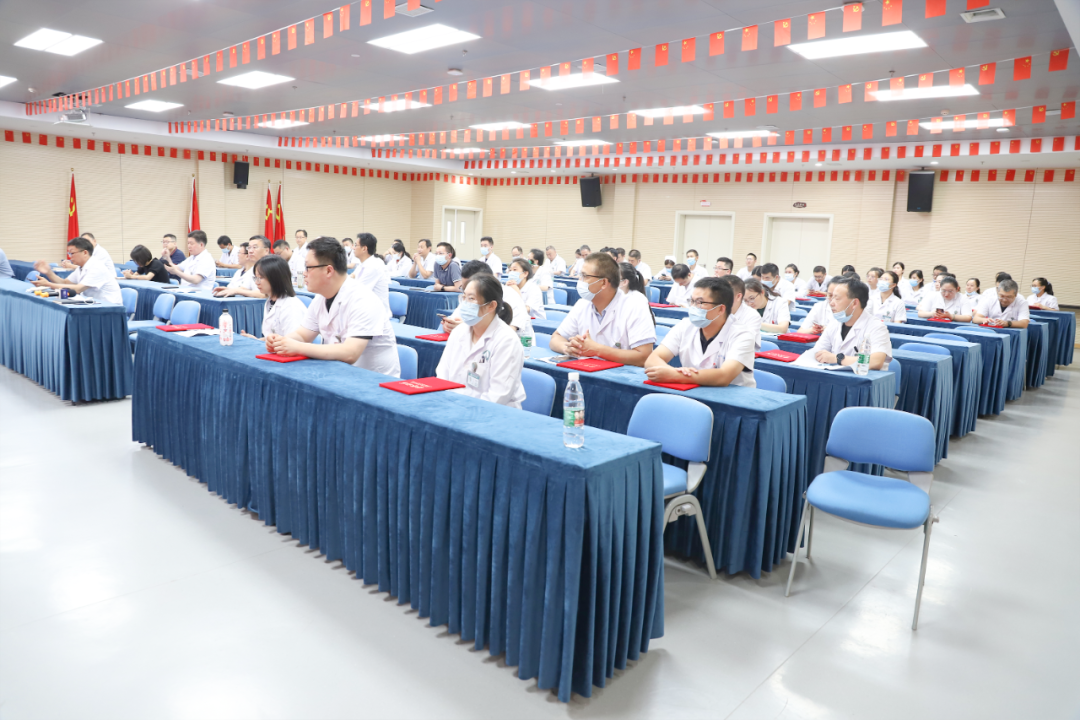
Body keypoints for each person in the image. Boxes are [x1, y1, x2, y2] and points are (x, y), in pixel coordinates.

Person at [267, 237, 400, 376]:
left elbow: (350, 353)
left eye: (308, 268)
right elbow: (302, 335)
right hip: (338, 373)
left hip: (373, 380)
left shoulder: (364, 299)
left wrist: (298, 347)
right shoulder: (320, 297)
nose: (304, 273)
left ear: (328, 271)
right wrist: (281, 342)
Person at [645, 277, 757, 387]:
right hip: (691, 392)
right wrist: (673, 373)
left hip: (732, 397)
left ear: (721, 309)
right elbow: (653, 359)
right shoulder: (685, 325)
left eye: (700, 302)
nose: (693, 307)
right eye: (692, 301)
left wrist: (675, 375)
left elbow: (724, 376)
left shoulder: (743, 335)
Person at [435, 274, 527, 408]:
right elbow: (443, 374)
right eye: (464, 297)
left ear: (491, 306)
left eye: (471, 299)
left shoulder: (507, 341)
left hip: (491, 413)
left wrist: (462, 410)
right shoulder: (458, 332)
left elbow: (498, 396)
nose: (465, 304)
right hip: (453, 406)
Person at [549, 252, 656, 367]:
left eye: (585, 276)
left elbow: (644, 356)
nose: (580, 280)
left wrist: (597, 350)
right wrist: (569, 349)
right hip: (586, 371)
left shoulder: (634, 305)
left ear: (604, 283)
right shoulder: (582, 304)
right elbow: (556, 337)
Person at [812, 275, 893, 370]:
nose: (831, 303)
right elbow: (817, 353)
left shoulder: (877, 327)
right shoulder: (834, 323)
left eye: (837, 299)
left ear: (854, 303)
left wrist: (837, 358)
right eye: (831, 298)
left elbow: (876, 362)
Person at [31, 237, 123, 304]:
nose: (70, 257)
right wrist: (48, 272)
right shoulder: (81, 267)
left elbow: (78, 289)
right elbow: (65, 283)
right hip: (94, 305)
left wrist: (48, 284)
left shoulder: (97, 267)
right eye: (69, 253)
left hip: (110, 309)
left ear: (85, 252)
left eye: (72, 253)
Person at [239, 255, 306, 340]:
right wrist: (256, 341)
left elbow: (291, 342)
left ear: (275, 278)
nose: (256, 282)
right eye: (256, 278)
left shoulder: (291, 307)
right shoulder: (270, 302)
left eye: (260, 278)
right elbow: (272, 337)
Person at [440, 261, 497, 334]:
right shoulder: (466, 297)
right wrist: (449, 324)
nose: (466, 291)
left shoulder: (507, 296)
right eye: (463, 288)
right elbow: (454, 318)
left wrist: (466, 327)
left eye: (471, 297)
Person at [348, 233, 391, 316]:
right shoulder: (363, 264)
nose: (353, 248)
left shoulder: (373, 266)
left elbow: (358, 291)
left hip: (376, 314)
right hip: (366, 309)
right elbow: (352, 276)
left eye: (356, 245)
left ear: (364, 248)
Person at [719, 274, 764, 348]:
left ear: (738, 296)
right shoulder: (715, 311)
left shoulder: (752, 316)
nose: (719, 298)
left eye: (724, 294)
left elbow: (745, 343)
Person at [501, 258, 538, 343]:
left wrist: (516, 293)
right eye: (510, 270)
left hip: (530, 324)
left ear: (525, 273)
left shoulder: (533, 288)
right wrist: (507, 290)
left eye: (515, 270)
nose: (511, 273)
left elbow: (525, 309)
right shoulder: (508, 287)